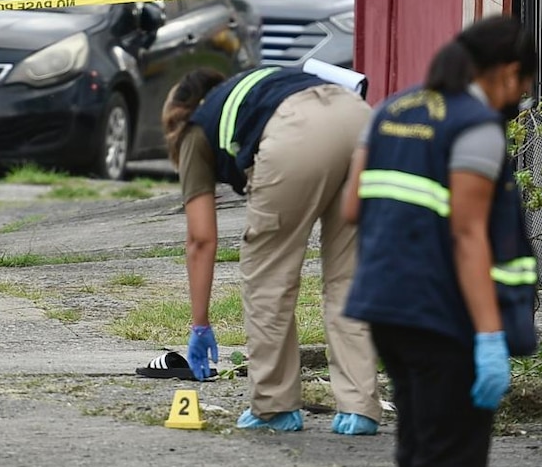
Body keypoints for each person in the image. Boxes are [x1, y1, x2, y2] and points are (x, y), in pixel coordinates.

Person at [341, 16, 539, 467]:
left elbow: (353, 205)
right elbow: (468, 234)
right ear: (507, 74)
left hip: (387, 310)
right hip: (445, 321)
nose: (522, 101)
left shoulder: (394, 108)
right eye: (524, 88)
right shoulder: (477, 127)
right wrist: (487, 336)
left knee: (418, 460)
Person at [160, 65, 382, 435]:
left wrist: (200, 323)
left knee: (269, 278)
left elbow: (201, 239)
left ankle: (274, 405)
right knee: (350, 277)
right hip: (359, 118)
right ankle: (360, 408)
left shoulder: (196, 129)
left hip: (297, 135)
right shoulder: (259, 85)